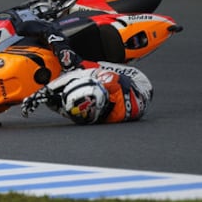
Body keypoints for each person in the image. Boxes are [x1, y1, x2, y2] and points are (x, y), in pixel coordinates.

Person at [17, 19, 153, 125]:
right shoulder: (111, 83)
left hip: (120, 98)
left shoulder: (90, 116)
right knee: (70, 63)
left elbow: (72, 110)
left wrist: (49, 100)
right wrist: (45, 91)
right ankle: (49, 30)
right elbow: (79, 74)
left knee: (57, 98)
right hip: (137, 81)